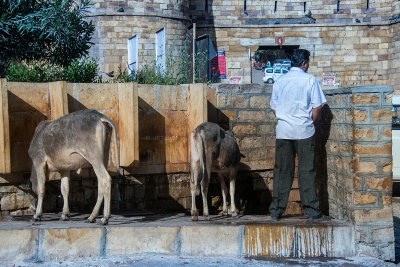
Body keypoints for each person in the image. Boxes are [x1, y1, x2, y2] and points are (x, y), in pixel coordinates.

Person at [268, 49, 327, 221]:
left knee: (282, 170)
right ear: (304, 64)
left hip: (284, 131)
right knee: (306, 171)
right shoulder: (310, 80)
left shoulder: (280, 81)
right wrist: (311, 122)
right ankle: (311, 210)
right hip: (304, 130)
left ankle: (276, 210)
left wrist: (285, 118)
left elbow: (274, 107)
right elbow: (317, 107)